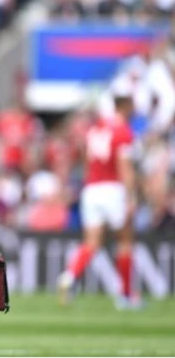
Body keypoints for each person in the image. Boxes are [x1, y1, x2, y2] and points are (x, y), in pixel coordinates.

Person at [57, 78, 141, 310]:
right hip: (113, 188)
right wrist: (131, 196)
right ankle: (125, 296)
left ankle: (69, 276)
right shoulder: (123, 132)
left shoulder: (95, 129)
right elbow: (125, 167)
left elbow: (85, 160)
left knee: (91, 242)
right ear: (125, 105)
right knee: (124, 241)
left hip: (91, 188)